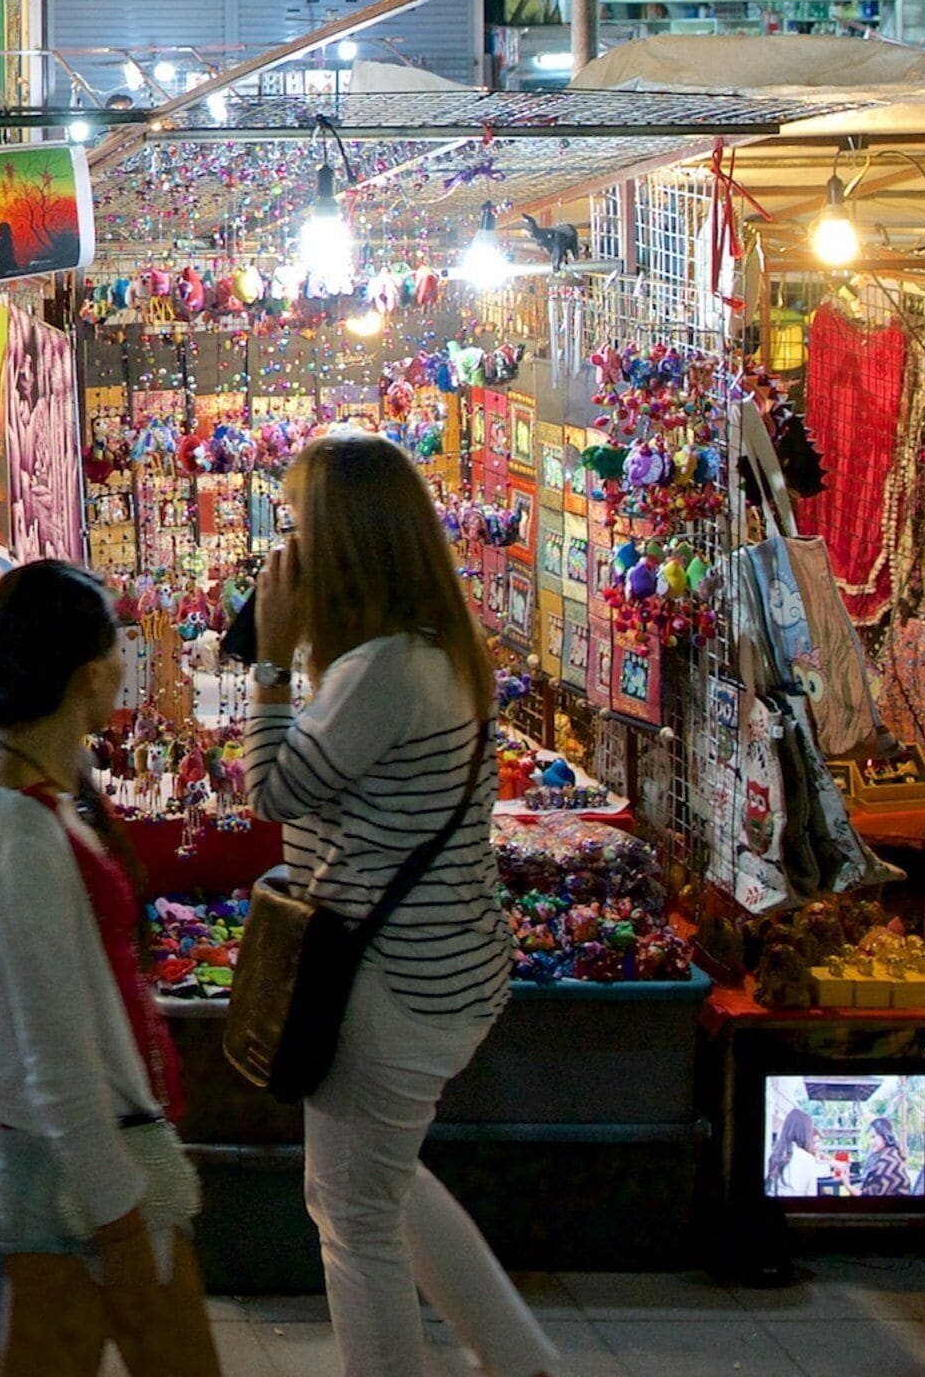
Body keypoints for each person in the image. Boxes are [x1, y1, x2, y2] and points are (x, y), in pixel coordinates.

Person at [244, 436, 559, 1377]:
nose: (283, 552)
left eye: (298, 529)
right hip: (439, 969)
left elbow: (273, 791)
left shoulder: (386, 669)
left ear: (341, 546)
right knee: (385, 1184)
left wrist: (266, 663)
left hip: (392, 984)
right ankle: (521, 1358)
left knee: (351, 1215)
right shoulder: (429, 653)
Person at [0, 562, 216, 1377]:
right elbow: (53, 1045)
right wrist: (120, 1220)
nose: (126, 665)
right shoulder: (22, 824)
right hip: (78, 1173)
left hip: (48, 1162)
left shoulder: (8, 790)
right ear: (90, 674)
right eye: (118, 651)